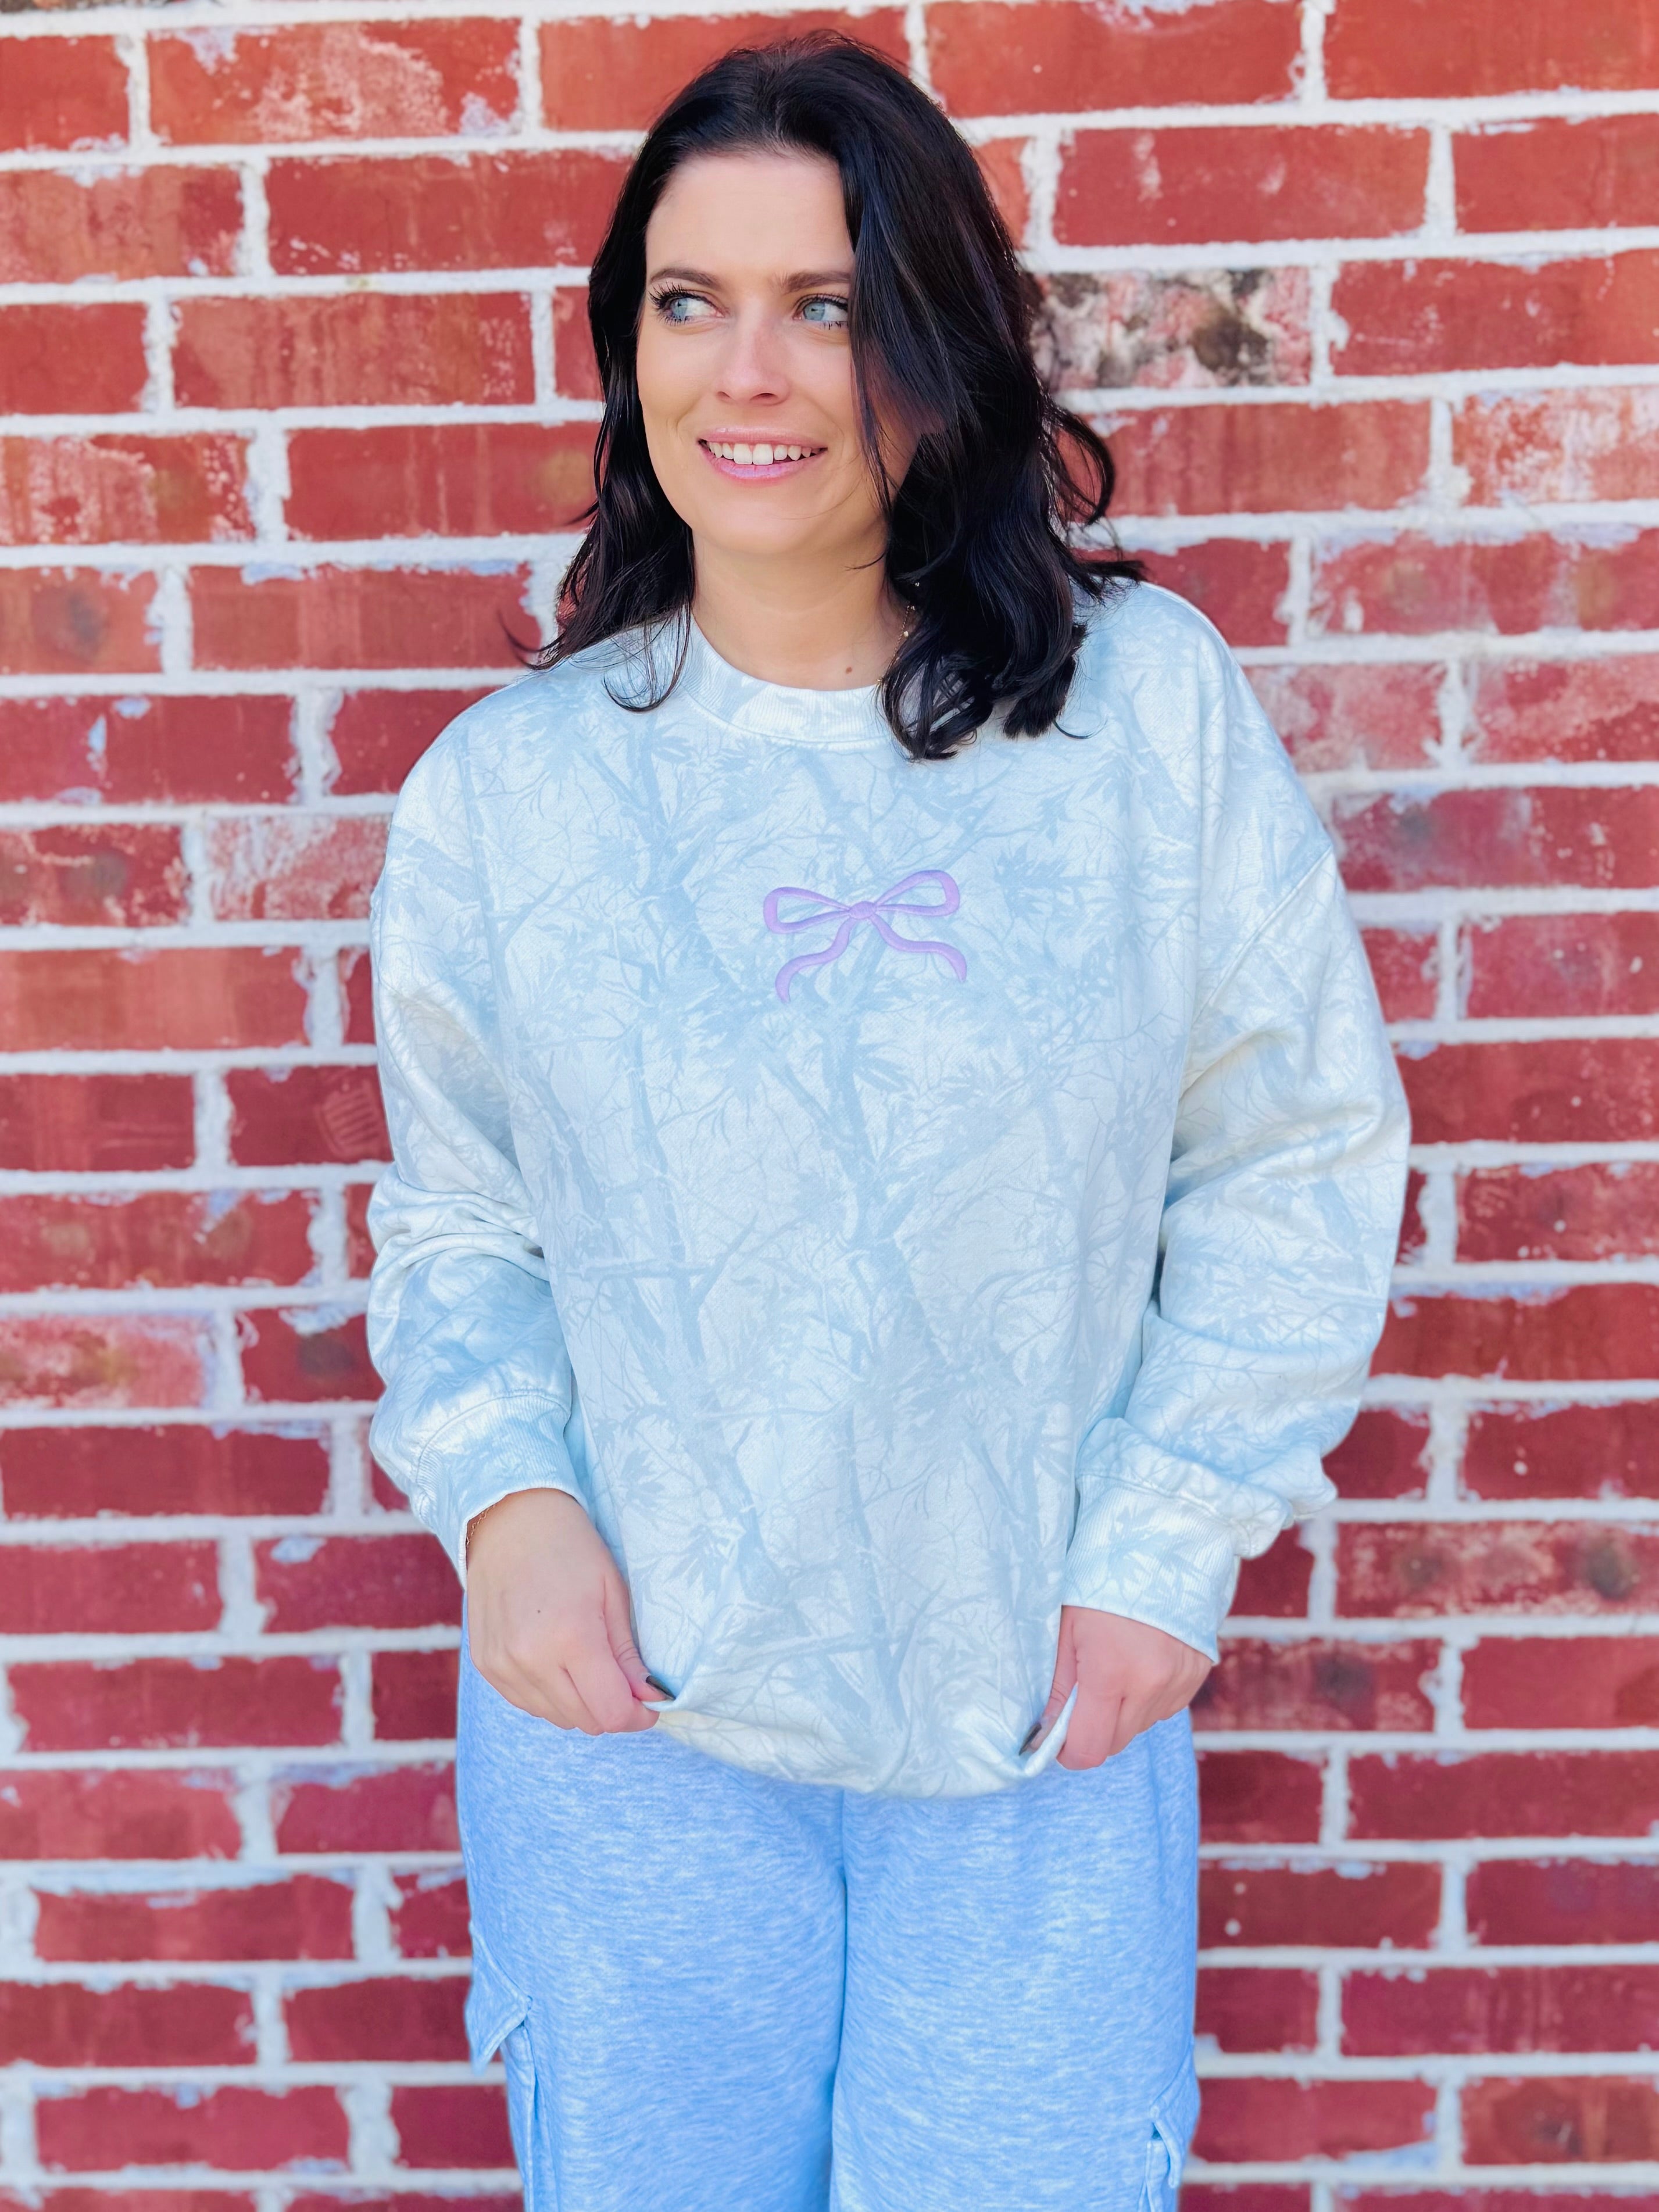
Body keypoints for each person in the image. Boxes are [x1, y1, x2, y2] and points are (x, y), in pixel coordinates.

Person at [364, 33, 1408, 2212]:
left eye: (825, 306)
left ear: (933, 343)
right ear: (628, 344)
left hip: (1035, 1724)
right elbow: (463, 1218)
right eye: (689, 300)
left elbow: (1293, 1154)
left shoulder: (1140, 722)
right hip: (633, 1736)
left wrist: (1167, 1551)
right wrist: (507, 1505)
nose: (747, 373)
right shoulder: (512, 795)